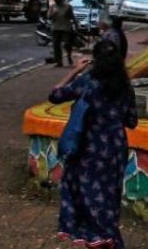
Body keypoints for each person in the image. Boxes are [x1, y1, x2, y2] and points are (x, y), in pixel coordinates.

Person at [49, 40, 137, 248]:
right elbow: (131, 121)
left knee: (85, 193)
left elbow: (54, 95)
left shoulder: (87, 82)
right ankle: (106, 237)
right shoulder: (125, 86)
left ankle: (101, 238)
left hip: (88, 148)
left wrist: (74, 71)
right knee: (109, 196)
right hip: (115, 149)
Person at [49, 0, 76, 67]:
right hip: (56, 28)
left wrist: (76, 26)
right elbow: (49, 17)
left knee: (67, 44)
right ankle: (59, 62)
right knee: (56, 45)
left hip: (66, 28)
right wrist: (52, 14)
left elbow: (72, 17)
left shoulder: (68, 7)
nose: (56, 1)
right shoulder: (52, 6)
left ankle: (69, 56)